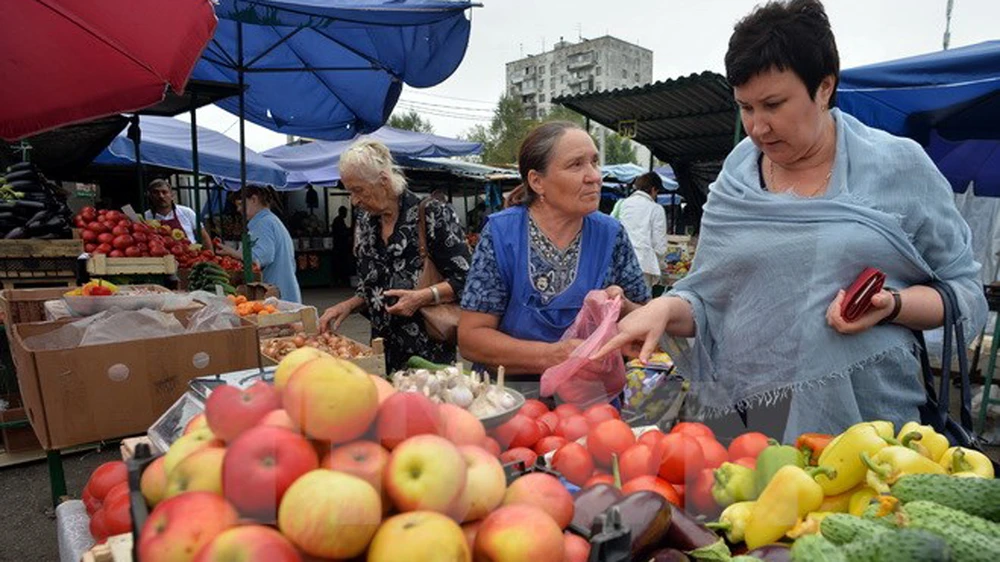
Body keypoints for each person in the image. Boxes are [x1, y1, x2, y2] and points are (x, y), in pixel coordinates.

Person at [595, 0, 988, 441]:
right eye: (745, 107)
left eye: (774, 104)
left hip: (865, 425)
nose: (758, 127)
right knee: (734, 507)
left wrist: (892, 307)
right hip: (741, 416)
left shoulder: (898, 166)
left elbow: (964, 293)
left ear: (824, 88)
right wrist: (663, 308)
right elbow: (709, 300)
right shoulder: (737, 174)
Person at [459, 121, 651, 398]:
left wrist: (619, 307)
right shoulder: (502, 234)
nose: (594, 176)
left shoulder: (612, 234)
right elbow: (472, 339)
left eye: (594, 163)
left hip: (589, 403)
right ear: (537, 181)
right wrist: (554, 355)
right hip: (508, 400)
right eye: (576, 165)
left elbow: (644, 323)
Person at [319, 140, 471, 372]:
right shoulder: (365, 221)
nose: (354, 200)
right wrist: (348, 305)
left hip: (428, 351)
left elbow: (466, 279)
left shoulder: (432, 213)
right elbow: (372, 285)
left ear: (384, 181)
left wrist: (420, 297)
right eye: (349, 191)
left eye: (358, 190)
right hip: (381, 348)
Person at [216, 185, 301, 304]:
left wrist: (232, 253)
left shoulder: (263, 223)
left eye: (241, 204)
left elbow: (262, 257)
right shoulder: (271, 220)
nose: (238, 210)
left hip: (274, 295)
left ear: (254, 199)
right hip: (283, 292)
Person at [616, 172, 669, 290]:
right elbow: (659, 245)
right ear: (654, 189)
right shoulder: (656, 208)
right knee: (641, 306)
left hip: (622, 262)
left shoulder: (624, 204)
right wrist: (661, 265)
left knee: (621, 304)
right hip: (644, 265)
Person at [144, 179, 211, 245]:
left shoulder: (187, 212)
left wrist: (210, 254)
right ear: (150, 196)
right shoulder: (146, 217)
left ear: (172, 195)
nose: (161, 196)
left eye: (164, 192)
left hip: (190, 254)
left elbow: (204, 237)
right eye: (156, 193)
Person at [331, 205, 353, 287]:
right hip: (339, 247)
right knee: (340, 264)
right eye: (345, 212)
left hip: (341, 247)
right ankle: (339, 280)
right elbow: (341, 233)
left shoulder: (340, 221)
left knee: (341, 264)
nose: (346, 214)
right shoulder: (338, 221)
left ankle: (340, 279)